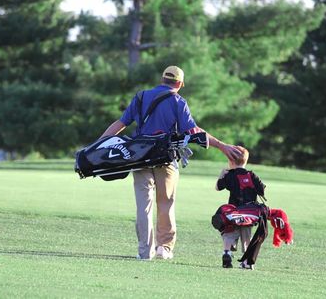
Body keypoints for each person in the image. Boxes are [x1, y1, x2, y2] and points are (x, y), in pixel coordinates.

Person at [100, 65, 241, 260]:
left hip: (139, 157)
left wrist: (99, 144)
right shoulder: (178, 101)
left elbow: (121, 123)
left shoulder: (141, 96)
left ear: (162, 79)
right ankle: (164, 248)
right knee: (165, 203)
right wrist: (222, 145)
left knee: (144, 205)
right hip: (165, 158)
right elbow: (194, 131)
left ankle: (144, 252)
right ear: (180, 84)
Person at [215, 146, 266, 269]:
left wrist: (222, 174)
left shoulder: (230, 175)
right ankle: (247, 262)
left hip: (234, 212)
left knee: (229, 232)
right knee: (246, 236)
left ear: (231, 161)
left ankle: (227, 252)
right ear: (245, 161)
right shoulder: (252, 175)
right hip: (249, 213)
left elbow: (218, 187)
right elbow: (262, 189)